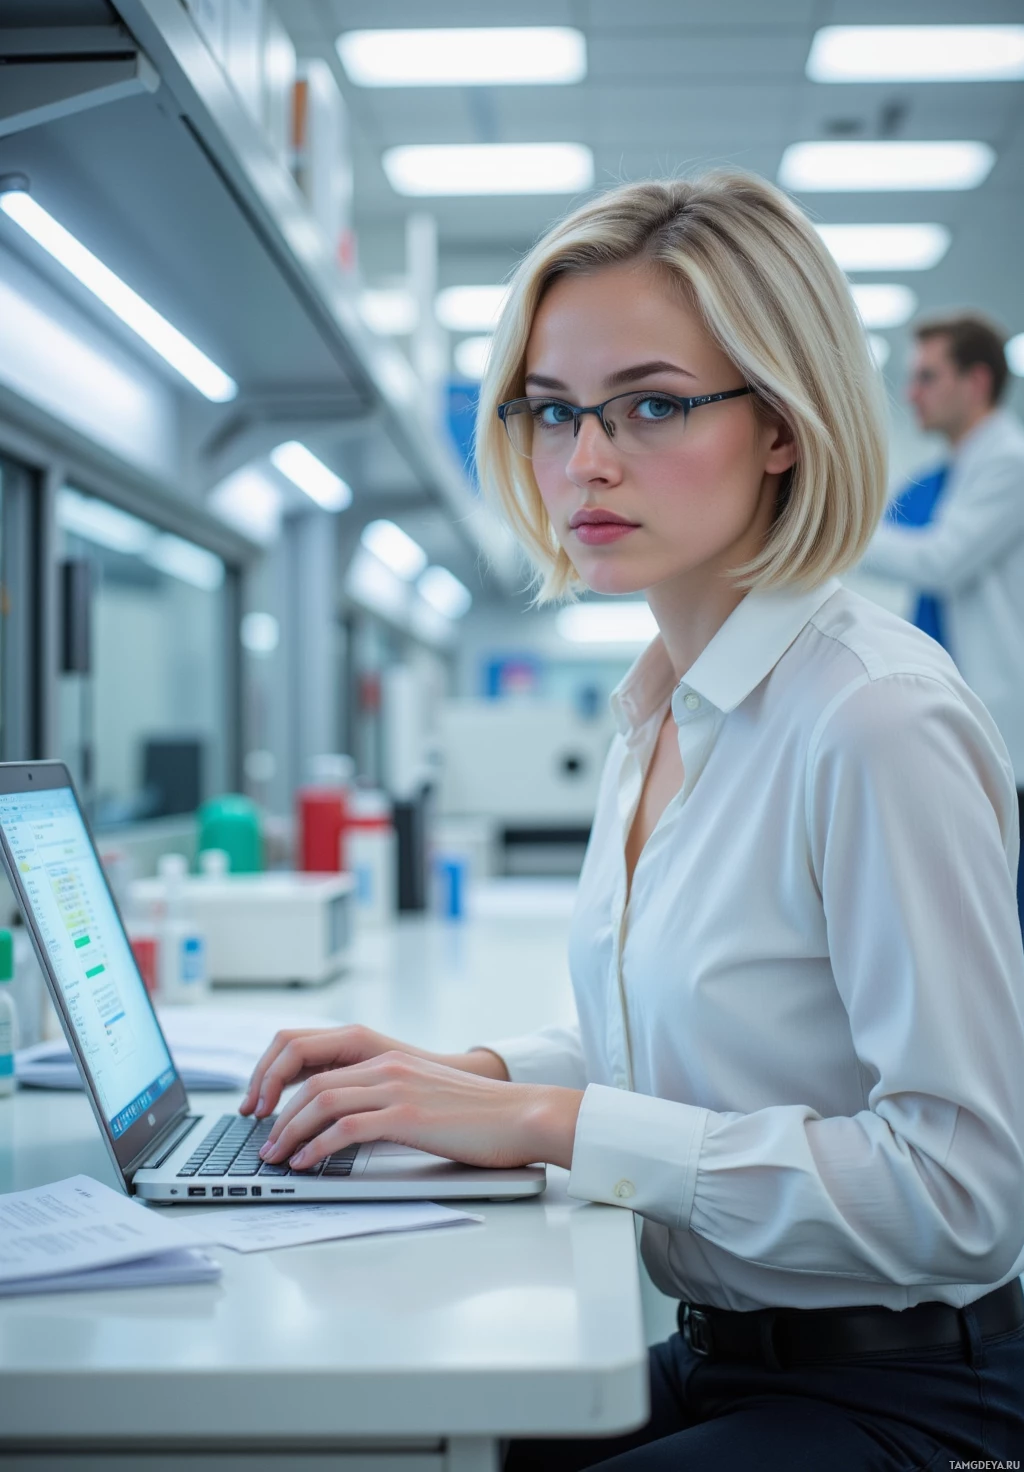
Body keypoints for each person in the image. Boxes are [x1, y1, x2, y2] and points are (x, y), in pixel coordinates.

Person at [241, 172, 1024, 1469]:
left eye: (652, 405)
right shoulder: (665, 707)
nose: (585, 462)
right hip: (722, 1347)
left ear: (783, 423)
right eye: (555, 412)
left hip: (908, 1394)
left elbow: (963, 1196)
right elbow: (686, 1042)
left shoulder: (873, 721)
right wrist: (465, 1081)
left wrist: (550, 1130)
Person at [859, 313, 1024, 928]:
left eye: (928, 376)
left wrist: (835, 530)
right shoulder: (946, 474)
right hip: (966, 702)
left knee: (1004, 900)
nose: (912, 393)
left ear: (976, 381)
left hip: (1007, 718)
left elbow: (940, 561)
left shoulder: (1009, 463)